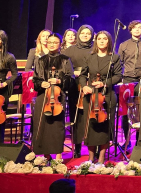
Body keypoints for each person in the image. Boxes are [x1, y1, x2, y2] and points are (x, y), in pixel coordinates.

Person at [75, 31, 122, 163]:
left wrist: (104, 83)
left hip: (107, 95)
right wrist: (84, 86)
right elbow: (82, 75)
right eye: (99, 39)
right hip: (91, 95)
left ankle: (101, 157)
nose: (101, 41)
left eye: (104, 39)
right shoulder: (89, 56)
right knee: (90, 125)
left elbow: (118, 76)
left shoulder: (114, 57)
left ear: (109, 41)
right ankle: (91, 157)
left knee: (105, 125)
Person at [32, 33, 74, 160]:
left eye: (55, 42)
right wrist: (41, 83)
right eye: (50, 42)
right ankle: (46, 155)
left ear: (60, 44)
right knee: (42, 124)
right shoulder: (40, 60)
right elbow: (35, 79)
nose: (52, 44)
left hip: (57, 96)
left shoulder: (65, 59)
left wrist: (60, 81)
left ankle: (58, 155)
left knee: (57, 125)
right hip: (43, 96)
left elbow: (71, 79)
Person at [117, 20, 141, 152]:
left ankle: (139, 141)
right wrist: (121, 78)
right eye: (135, 27)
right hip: (128, 79)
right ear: (130, 30)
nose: (137, 30)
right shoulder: (124, 45)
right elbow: (119, 63)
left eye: (140, 27)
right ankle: (127, 140)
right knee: (126, 111)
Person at [62, 24, 95, 157]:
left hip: (92, 85)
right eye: (83, 33)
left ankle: (93, 146)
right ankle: (77, 147)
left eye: (88, 33)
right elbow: (63, 67)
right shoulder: (70, 50)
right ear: (79, 35)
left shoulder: (95, 48)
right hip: (74, 85)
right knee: (76, 116)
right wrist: (73, 72)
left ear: (92, 35)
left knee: (92, 115)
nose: (85, 35)